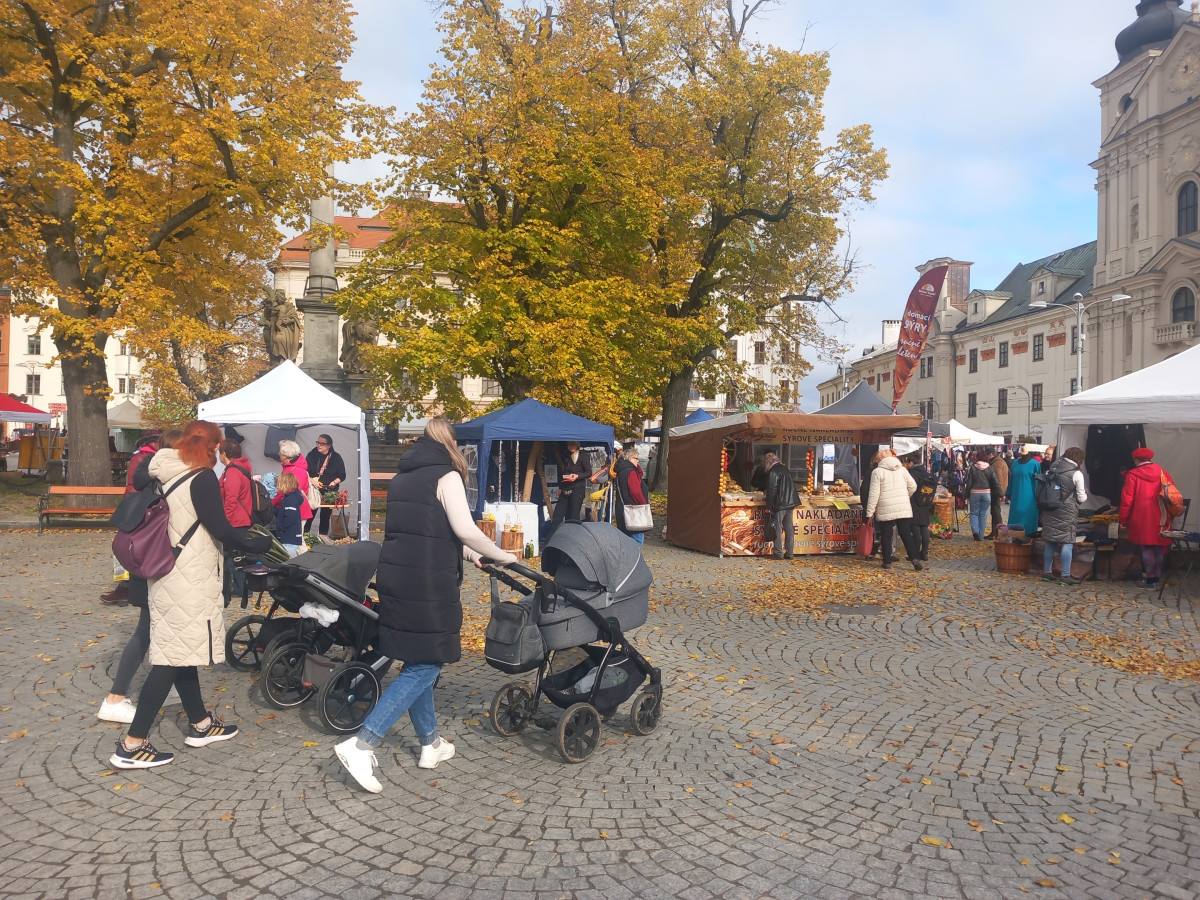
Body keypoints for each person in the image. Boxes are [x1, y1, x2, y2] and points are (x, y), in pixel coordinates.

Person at [333, 418, 517, 793]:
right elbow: (464, 529)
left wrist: (471, 556)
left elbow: (431, 530)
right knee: (427, 663)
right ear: (450, 443)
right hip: (427, 582)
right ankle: (362, 743)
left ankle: (430, 744)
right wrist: (502, 554)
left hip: (398, 577)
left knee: (418, 660)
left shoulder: (402, 478)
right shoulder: (446, 476)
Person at [109, 421, 272, 769]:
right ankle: (132, 744)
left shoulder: (163, 471)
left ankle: (200, 723)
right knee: (169, 660)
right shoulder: (201, 477)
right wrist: (257, 543)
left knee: (182, 651)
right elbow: (221, 528)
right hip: (189, 575)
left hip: (168, 570)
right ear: (210, 446)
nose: (217, 452)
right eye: (216, 446)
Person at [97, 428, 184, 724]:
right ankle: (115, 697)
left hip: (145, 559)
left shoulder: (147, 471)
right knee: (146, 630)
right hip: (154, 561)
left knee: (161, 629)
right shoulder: (162, 479)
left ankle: (169, 687)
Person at [101, 431, 161, 605]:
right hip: (143, 506)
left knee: (132, 547)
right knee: (134, 548)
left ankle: (128, 587)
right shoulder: (148, 457)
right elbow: (135, 485)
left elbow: (133, 486)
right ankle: (127, 587)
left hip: (137, 506)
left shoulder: (143, 457)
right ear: (153, 442)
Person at [1120, 447, 1173, 589]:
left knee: (1146, 548)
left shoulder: (1133, 474)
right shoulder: (1162, 472)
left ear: (1136, 459)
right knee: (1159, 547)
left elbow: (1127, 499)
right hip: (1162, 516)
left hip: (1142, 517)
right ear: (1150, 458)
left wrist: (1123, 519)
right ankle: (1156, 578)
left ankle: (1149, 579)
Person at [864, 449, 922, 571]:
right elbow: (913, 486)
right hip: (903, 506)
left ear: (879, 460)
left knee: (886, 534)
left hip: (885, 506)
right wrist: (905, 497)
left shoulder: (877, 472)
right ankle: (915, 559)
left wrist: (869, 512)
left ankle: (887, 561)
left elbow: (874, 494)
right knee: (906, 534)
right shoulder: (902, 469)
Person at [1041, 447, 1088, 586]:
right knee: (1067, 542)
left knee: (1050, 541)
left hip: (1050, 508)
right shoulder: (1076, 474)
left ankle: (1047, 572)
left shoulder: (1051, 469)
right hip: (1067, 511)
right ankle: (1065, 575)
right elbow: (1081, 497)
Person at [218, 438, 253, 603]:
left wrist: (223, 521)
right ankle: (243, 588)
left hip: (235, 521)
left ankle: (241, 589)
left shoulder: (232, 471)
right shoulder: (241, 468)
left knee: (235, 558)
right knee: (238, 557)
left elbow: (231, 499)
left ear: (224, 454)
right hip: (241, 519)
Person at [304, 434, 347, 536]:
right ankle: (305, 537)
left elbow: (342, 475)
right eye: (318, 443)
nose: (319, 445)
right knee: (310, 514)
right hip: (314, 489)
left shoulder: (336, 457)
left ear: (329, 445)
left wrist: (334, 482)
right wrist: (312, 481)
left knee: (325, 516)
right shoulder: (311, 455)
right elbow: (304, 472)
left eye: (322, 444)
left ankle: (322, 538)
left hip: (329, 491)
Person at [763, 451, 799, 560]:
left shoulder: (773, 472)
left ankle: (778, 553)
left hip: (780, 504)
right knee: (789, 529)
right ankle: (790, 553)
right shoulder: (785, 468)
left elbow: (772, 490)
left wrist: (769, 506)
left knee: (777, 527)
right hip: (790, 503)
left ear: (768, 462)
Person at [274, 439, 314, 529]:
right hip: (291, 509)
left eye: (280, 452)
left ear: (285, 456)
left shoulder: (297, 471)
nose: (278, 454)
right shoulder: (289, 468)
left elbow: (290, 492)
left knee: (297, 541)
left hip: (297, 511)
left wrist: (273, 502)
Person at [613, 446, 649, 545]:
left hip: (623, 509)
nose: (638, 461)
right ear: (630, 458)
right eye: (636, 458)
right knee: (637, 541)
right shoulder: (630, 472)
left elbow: (640, 473)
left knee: (625, 541)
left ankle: (625, 560)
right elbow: (635, 492)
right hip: (634, 511)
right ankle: (633, 560)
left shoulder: (621, 471)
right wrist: (644, 505)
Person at [550, 441, 589, 532]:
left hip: (577, 487)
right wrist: (561, 487)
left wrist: (577, 476)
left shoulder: (583, 455)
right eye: (569, 444)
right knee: (557, 515)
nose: (571, 446)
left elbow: (588, 472)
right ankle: (551, 539)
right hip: (566, 487)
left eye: (573, 444)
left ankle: (572, 539)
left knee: (574, 516)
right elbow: (565, 472)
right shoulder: (566, 455)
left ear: (577, 445)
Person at [906, 457, 938, 562]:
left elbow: (909, 488)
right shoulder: (926, 473)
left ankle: (914, 554)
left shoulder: (912, 473)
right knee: (924, 528)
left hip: (914, 502)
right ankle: (924, 553)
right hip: (925, 502)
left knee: (915, 529)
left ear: (912, 462)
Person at [965, 452, 1001, 541]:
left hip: (974, 493)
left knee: (974, 513)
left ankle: (975, 532)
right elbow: (995, 482)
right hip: (986, 493)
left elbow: (969, 482)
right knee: (983, 513)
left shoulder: (973, 468)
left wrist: (966, 494)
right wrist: (1000, 494)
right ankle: (981, 535)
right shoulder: (990, 468)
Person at [1007, 451, 1042, 538]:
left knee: (1027, 518)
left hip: (1029, 497)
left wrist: (1038, 496)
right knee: (1015, 518)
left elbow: (1038, 482)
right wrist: (1009, 492)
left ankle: (1029, 538)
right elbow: (1012, 478)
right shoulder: (1015, 463)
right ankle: (1014, 537)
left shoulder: (1035, 464)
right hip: (1015, 496)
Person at [274, 471, 305, 557]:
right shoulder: (291, 497)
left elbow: (290, 516)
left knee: (289, 557)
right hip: (291, 535)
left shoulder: (291, 499)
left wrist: (282, 527)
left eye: (279, 485)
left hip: (289, 535)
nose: (277, 488)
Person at [988, 450, 1010, 538]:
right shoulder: (998, 461)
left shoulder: (997, 464)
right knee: (994, 511)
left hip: (997, 491)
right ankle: (994, 532)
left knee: (996, 512)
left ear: (991, 454)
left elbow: (998, 480)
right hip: (998, 490)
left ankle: (1000, 532)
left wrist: (1000, 493)